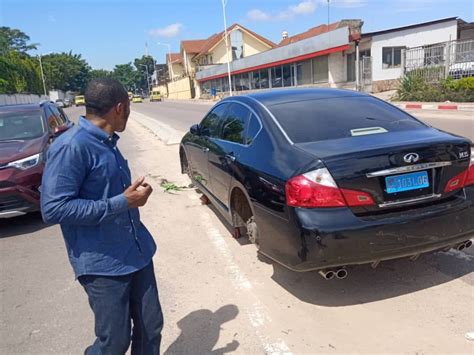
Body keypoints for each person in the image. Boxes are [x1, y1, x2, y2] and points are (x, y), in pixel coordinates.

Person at [41, 78, 163, 354]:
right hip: (103, 264)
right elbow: (53, 208)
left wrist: (132, 197)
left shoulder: (108, 141)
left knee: (150, 327)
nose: (129, 114)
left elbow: (108, 193)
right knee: (114, 341)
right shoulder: (72, 146)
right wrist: (122, 202)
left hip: (136, 252)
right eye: (129, 108)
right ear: (120, 108)